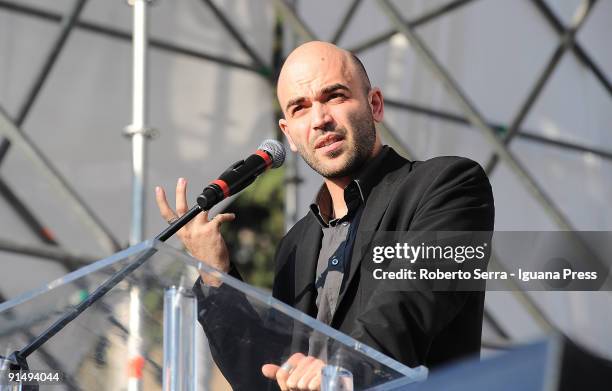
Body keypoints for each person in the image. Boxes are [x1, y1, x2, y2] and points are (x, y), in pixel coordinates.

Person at [156, 41, 494, 390]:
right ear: (289, 135)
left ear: (374, 104)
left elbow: (408, 306)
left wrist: (338, 370)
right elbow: (264, 377)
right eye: (300, 108)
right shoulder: (296, 245)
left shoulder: (448, 185)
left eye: (334, 96)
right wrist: (216, 272)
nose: (320, 120)